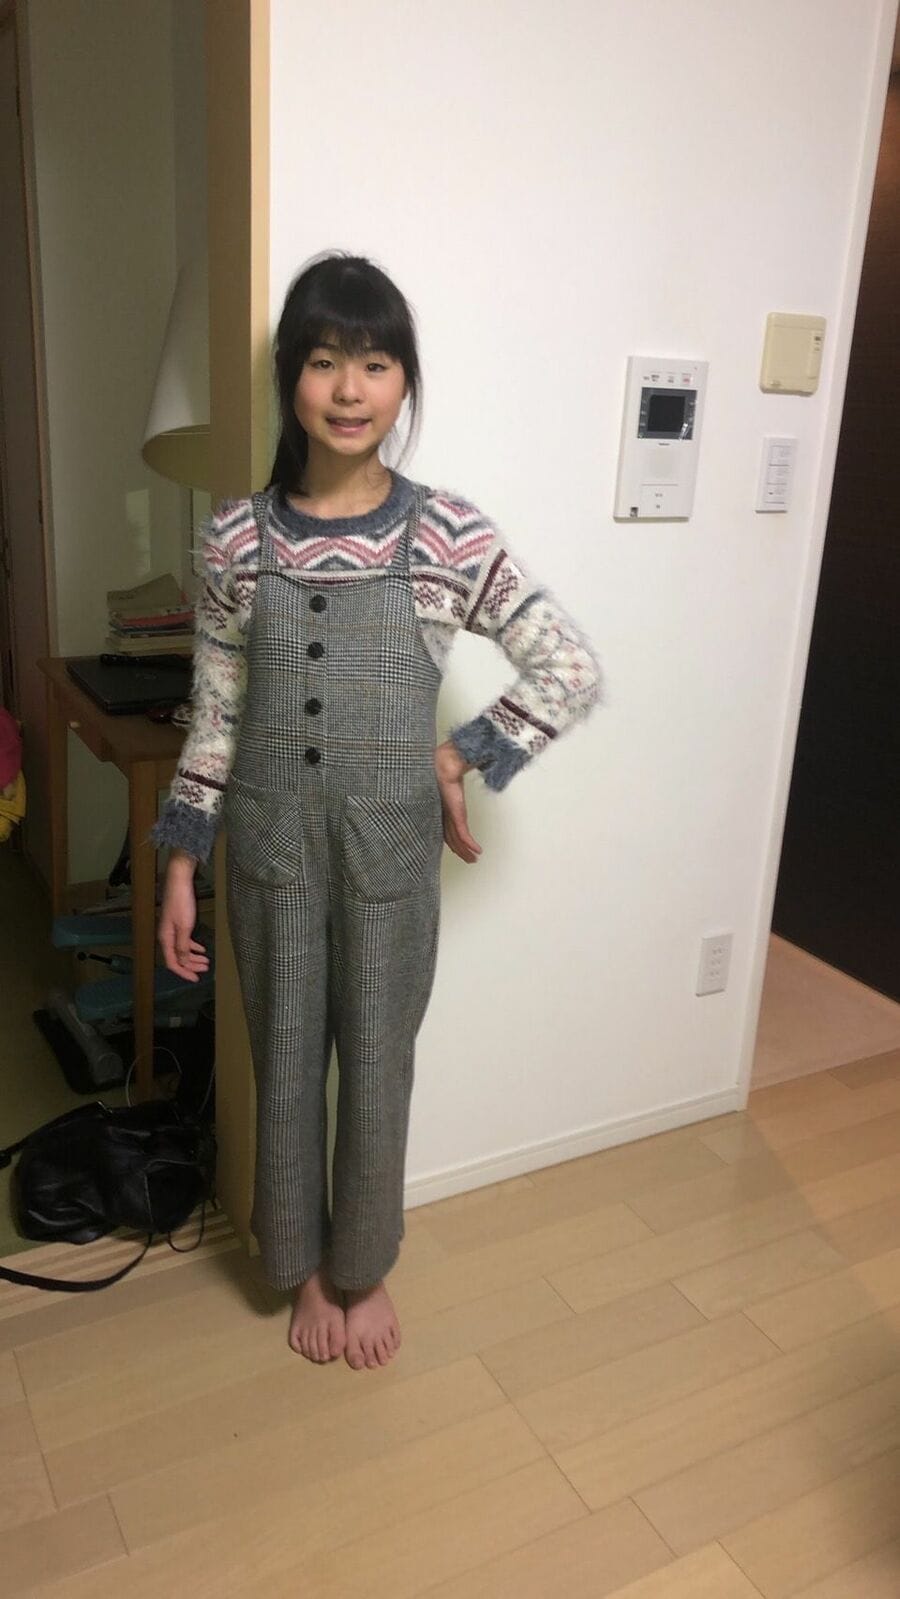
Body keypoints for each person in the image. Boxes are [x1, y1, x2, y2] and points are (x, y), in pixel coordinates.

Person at [151, 250, 602, 1372]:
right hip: (267, 848)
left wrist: (463, 754)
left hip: (393, 848)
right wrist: (181, 862)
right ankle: (301, 1263)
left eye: (375, 363)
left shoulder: (448, 535)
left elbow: (568, 668)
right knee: (284, 1056)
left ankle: (364, 1262)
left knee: (379, 1061)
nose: (349, 390)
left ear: (404, 382)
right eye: (322, 361)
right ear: (289, 379)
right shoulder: (234, 539)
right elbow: (214, 716)